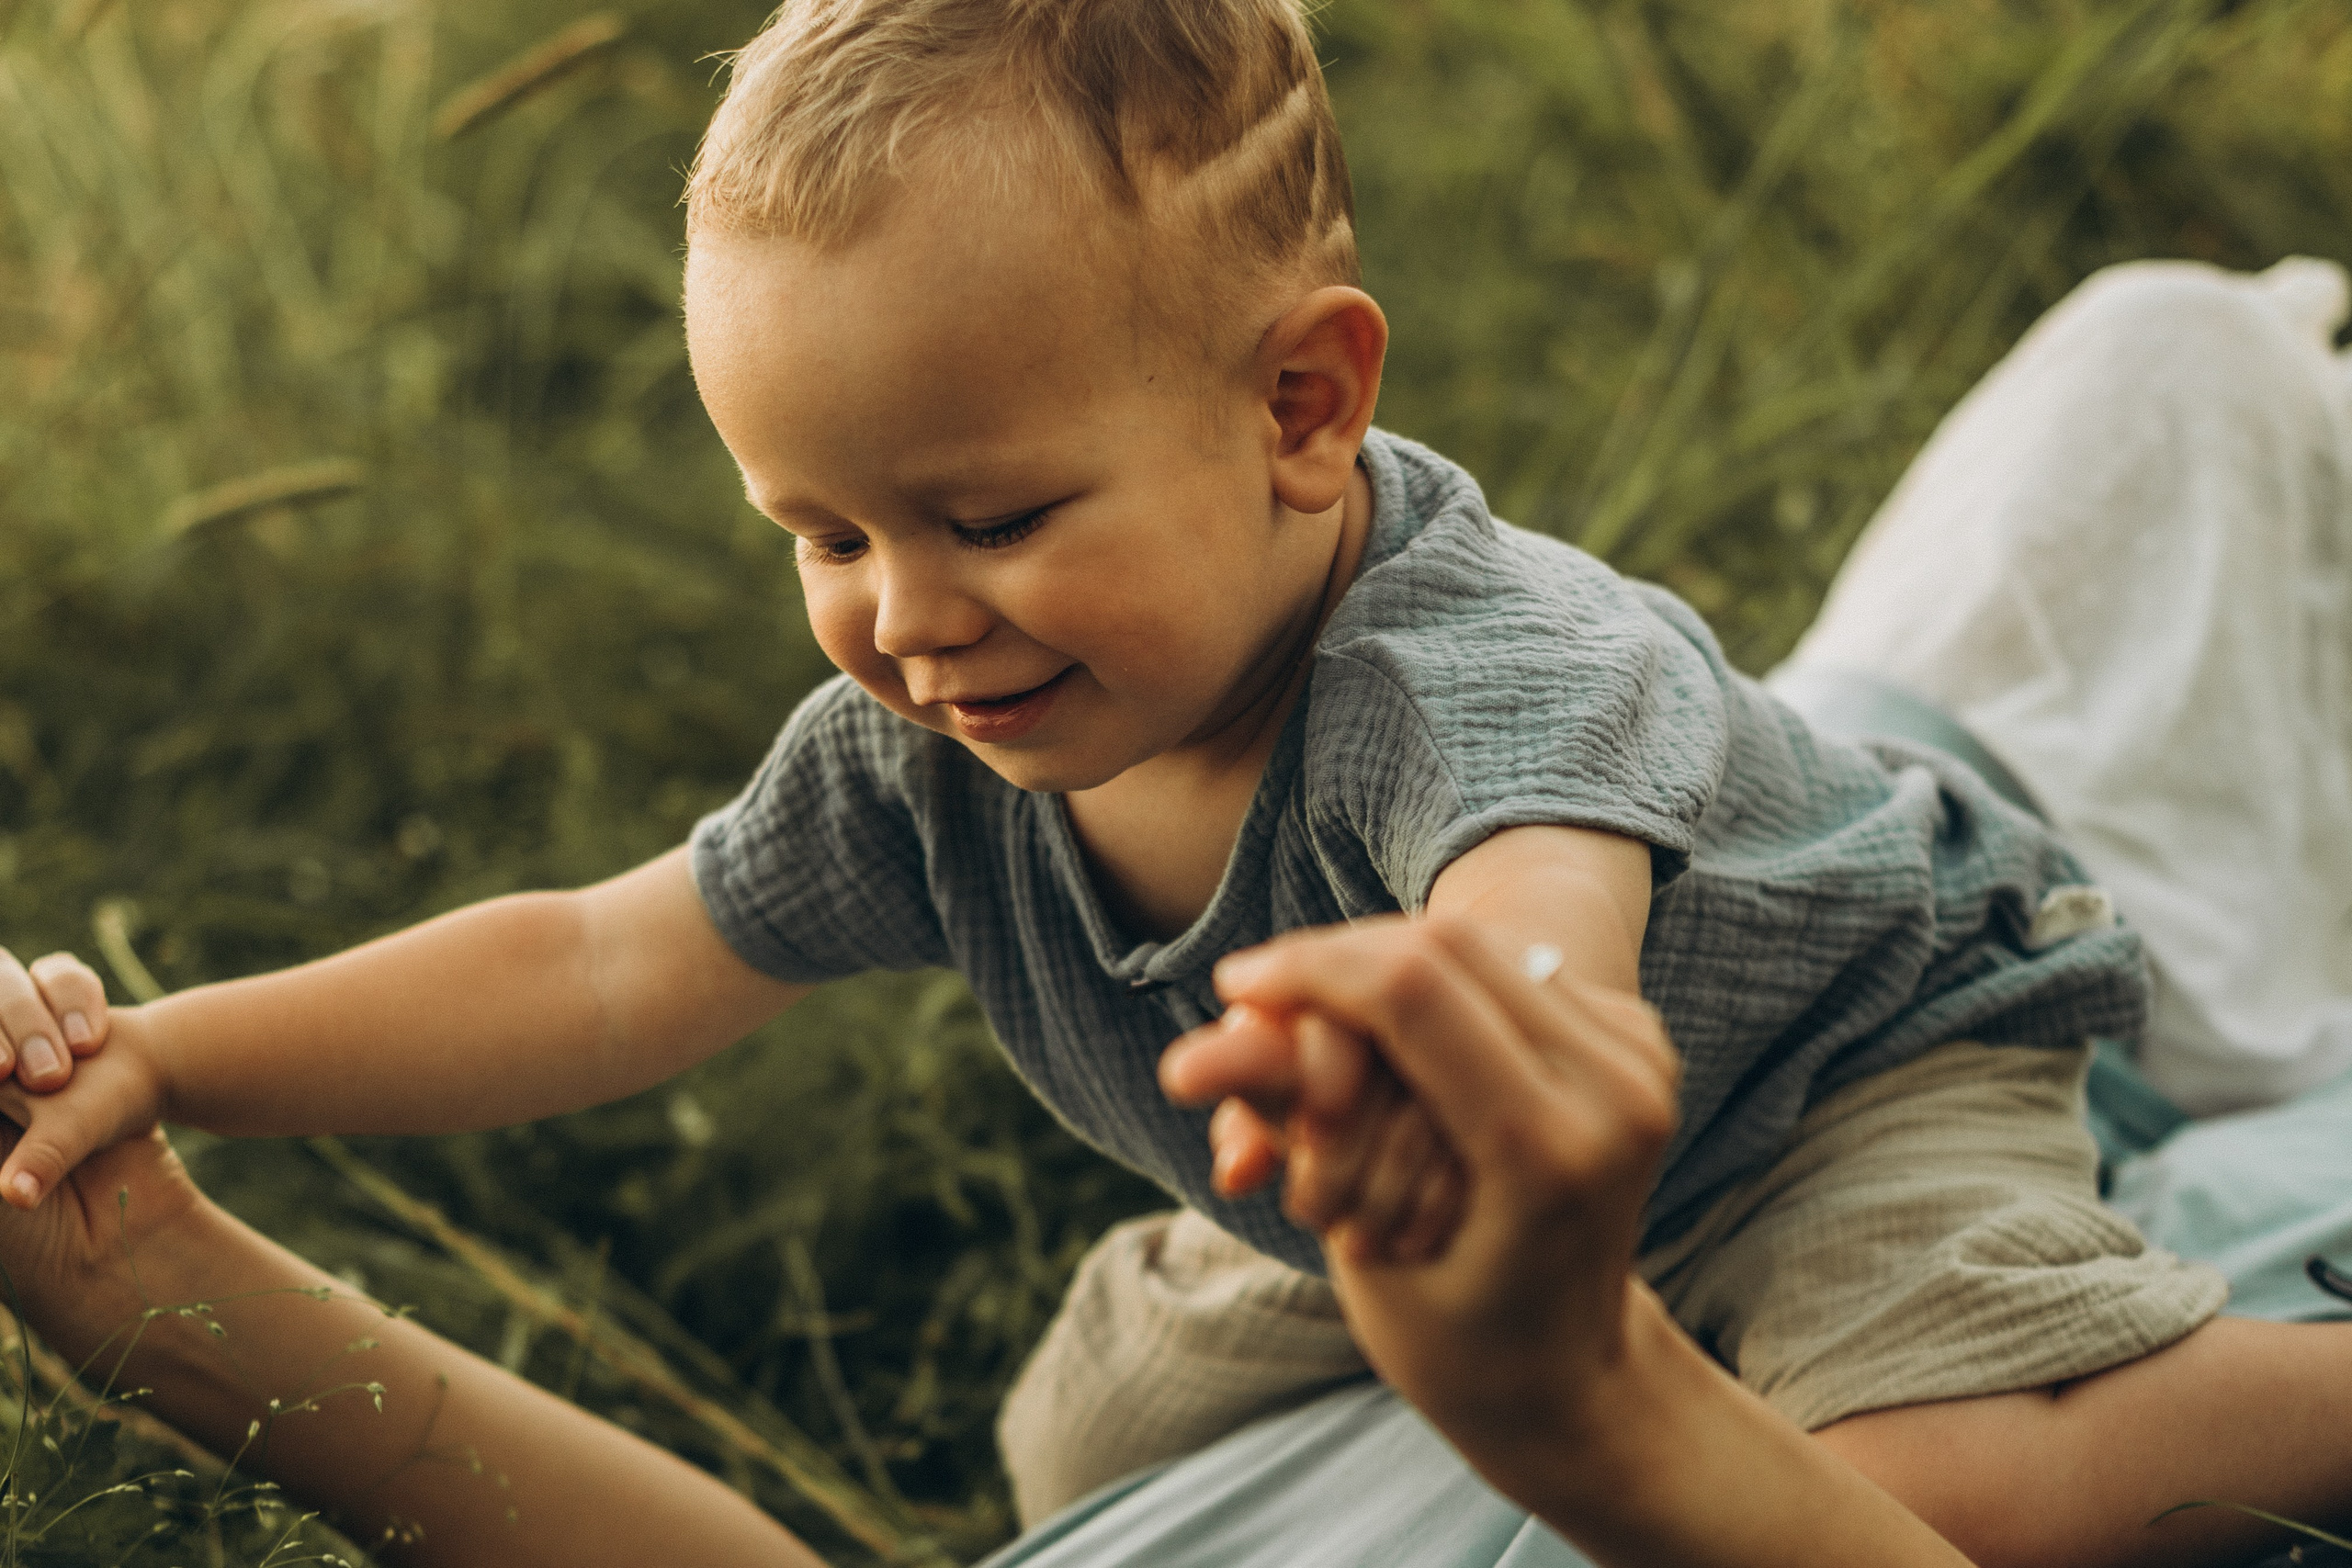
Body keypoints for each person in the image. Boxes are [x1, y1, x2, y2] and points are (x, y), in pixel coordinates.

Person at [0, 2, 2346, 1563]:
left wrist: (1463, 1056)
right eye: (821, 534)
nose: (905, 615)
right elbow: (606, 961)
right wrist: (174, 1062)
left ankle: (2289, 1392)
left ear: (1298, 409)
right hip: (1376, 1204)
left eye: (993, 518)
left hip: (1828, 1082)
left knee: (1928, 1497)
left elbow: (1542, 952)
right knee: (1080, 1449)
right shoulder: (925, 754)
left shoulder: (1471, 673)